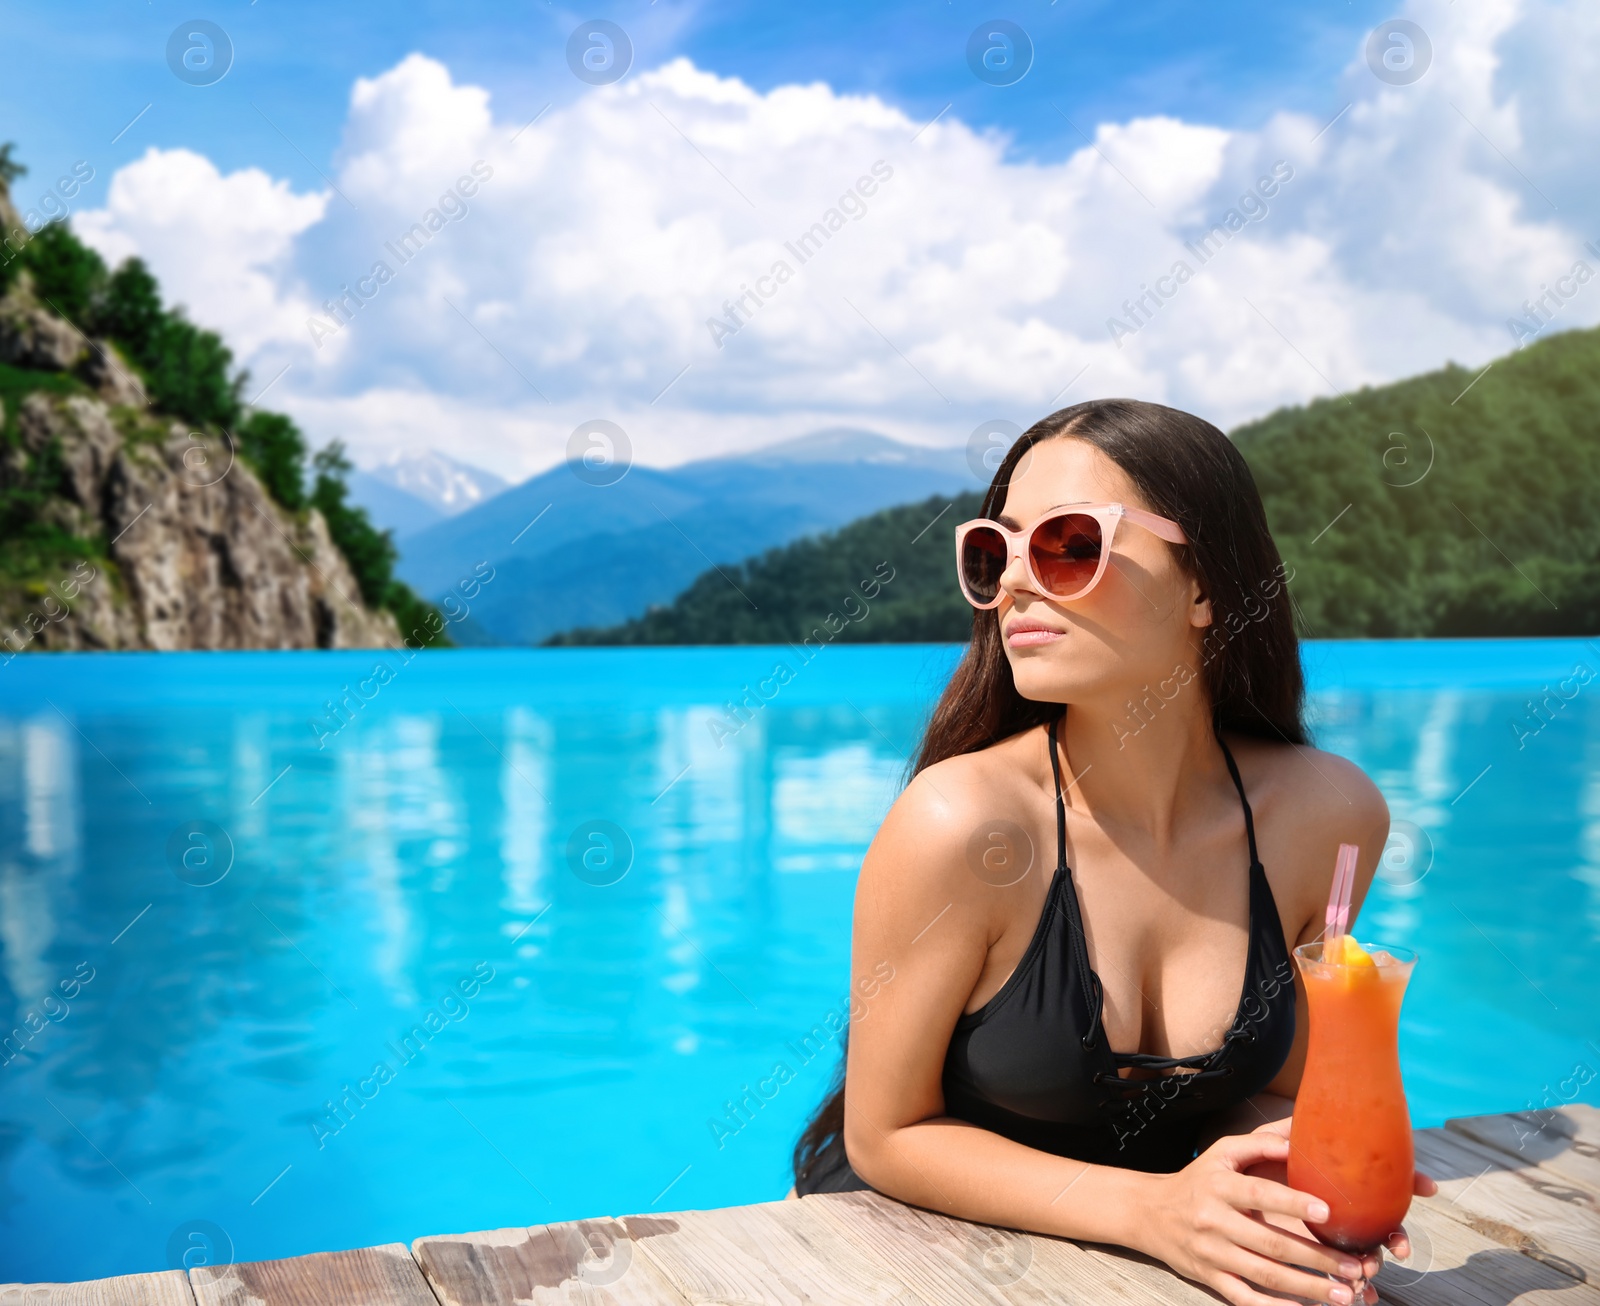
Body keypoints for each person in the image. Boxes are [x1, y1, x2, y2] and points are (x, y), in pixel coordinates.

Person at [790, 399, 1435, 1306]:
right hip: (917, 1256)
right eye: (994, 551)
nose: (1015, 582)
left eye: (1067, 545)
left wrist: (1307, 1173)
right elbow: (886, 1136)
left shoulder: (1328, 816)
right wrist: (1151, 1213)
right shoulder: (963, 827)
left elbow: (1276, 1094)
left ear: (1206, 586)